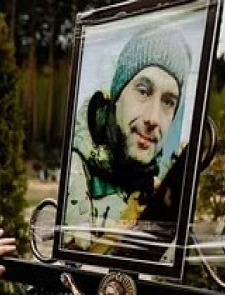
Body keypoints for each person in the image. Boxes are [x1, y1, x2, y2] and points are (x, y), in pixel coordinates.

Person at [63, 26, 191, 255]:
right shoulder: (72, 174)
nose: (153, 118)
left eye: (168, 102)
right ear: (117, 94)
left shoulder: (164, 197)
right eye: (143, 91)